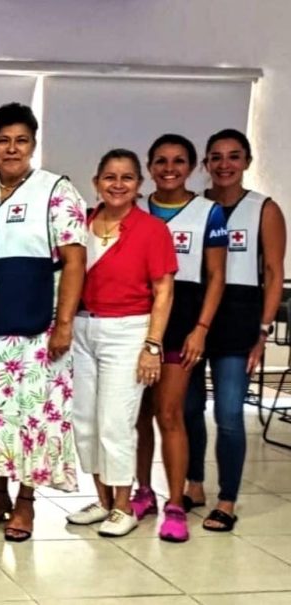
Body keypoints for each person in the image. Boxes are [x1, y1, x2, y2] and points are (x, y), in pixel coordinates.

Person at [0, 102, 87, 542]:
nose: (12, 149)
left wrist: (63, 322)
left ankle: (26, 501)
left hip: (39, 330)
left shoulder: (56, 191)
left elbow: (74, 260)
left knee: (33, 419)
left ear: (33, 145)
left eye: (21, 141)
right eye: (3, 141)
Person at [66, 149, 176, 537]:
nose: (117, 184)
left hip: (128, 331)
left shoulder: (151, 230)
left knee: (116, 422)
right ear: (96, 182)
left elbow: (164, 291)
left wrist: (152, 346)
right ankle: (102, 499)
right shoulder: (82, 224)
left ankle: (124, 505)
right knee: (85, 422)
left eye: (126, 178)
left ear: (138, 185)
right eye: (109, 177)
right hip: (82, 328)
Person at [183, 129, 286, 532]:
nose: (225, 164)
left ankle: (227, 498)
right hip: (193, 313)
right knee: (189, 408)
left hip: (240, 317)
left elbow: (275, 273)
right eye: (216, 157)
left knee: (228, 412)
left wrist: (262, 331)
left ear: (246, 162)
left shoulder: (265, 209)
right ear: (205, 164)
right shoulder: (194, 206)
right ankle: (194, 484)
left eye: (234, 156)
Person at [132, 133, 228, 543]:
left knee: (170, 413)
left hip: (182, 323)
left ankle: (175, 503)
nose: (169, 169)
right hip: (137, 322)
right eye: (160, 161)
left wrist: (200, 330)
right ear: (149, 167)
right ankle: (142, 493)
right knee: (138, 417)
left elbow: (217, 277)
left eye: (178, 161)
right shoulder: (134, 209)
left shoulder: (210, 213)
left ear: (192, 167)